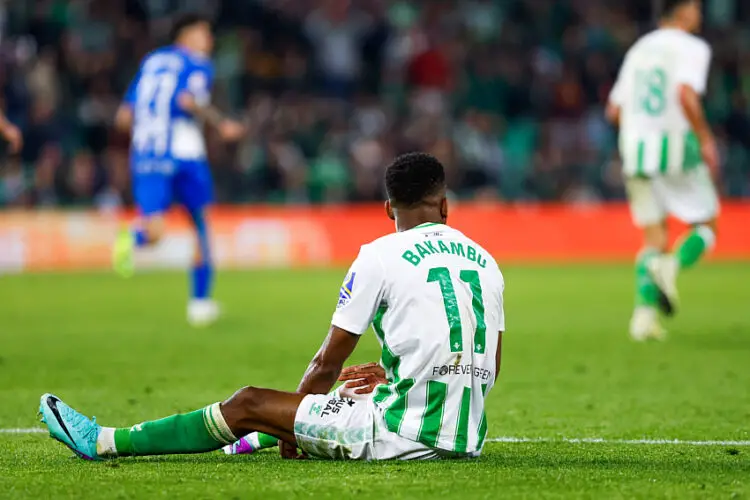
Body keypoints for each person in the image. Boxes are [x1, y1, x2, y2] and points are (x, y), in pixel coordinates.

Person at [39, 152, 506, 461]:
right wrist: (401, 373)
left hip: (403, 438)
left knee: (249, 401)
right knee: (353, 390)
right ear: (444, 206)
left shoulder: (379, 255)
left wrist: (294, 430)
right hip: (466, 438)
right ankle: (246, 441)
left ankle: (104, 442)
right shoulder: (487, 261)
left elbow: (328, 360)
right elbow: (490, 365)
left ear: (388, 209)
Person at [112, 13, 244, 326]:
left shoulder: (152, 61)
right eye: (204, 34)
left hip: (146, 152)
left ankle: (133, 237)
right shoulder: (197, 63)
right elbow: (188, 99)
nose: (208, 41)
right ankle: (199, 303)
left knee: (155, 230)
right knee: (199, 224)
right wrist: (221, 123)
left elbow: (123, 116)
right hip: (184, 150)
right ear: (187, 36)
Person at [606, 0, 719, 341]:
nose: (699, 14)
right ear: (683, 10)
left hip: (634, 149)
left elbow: (614, 110)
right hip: (674, 145)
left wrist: (638, 132)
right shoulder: (692, 47)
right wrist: (705, 138)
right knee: (707, 223)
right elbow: (685, 94)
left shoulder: (640, 48)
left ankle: (643, 319)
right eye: (696, 7)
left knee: (654, 236)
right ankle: (670, 266)